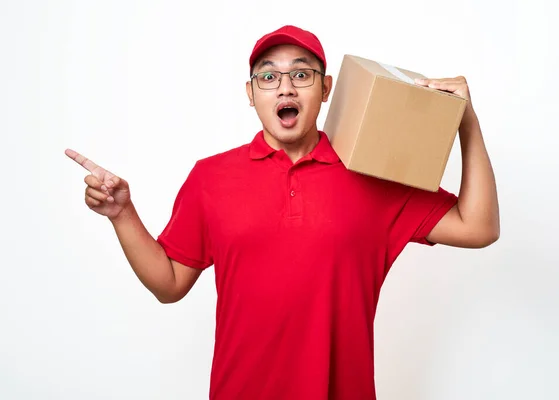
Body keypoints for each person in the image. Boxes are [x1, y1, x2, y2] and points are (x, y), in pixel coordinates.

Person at [66, 25, 499, 400]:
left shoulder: (374, 176)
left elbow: (479, 227)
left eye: (301, 74)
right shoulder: (210, 178)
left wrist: (466, 122)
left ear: (326, 89)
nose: (285, 87)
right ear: (251, 94)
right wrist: (122, 215)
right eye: (268, 76)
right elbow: (169, 283)